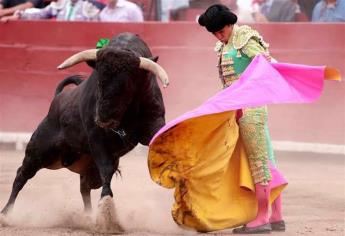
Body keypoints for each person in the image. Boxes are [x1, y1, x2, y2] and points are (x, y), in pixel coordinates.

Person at [198, 4, 284, 233]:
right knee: (265, 159)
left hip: (251, 108)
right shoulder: (225, 44)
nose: (218, 36)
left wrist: (249, 90)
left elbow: (265, 64)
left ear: (229, 24)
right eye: (214, 33)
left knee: (258, 162)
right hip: (239, 108)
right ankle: (276, 216)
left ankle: (262, 218)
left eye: (220, 31)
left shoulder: (244, 37)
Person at [0, 0, 100, 22]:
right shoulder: (60, 5)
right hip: (59, 40)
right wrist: (19, 15)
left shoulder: (90, 7)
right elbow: (40, 14)